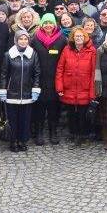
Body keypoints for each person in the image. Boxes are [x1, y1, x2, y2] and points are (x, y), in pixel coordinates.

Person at [0, 29, 43, 153]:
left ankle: (22, 141)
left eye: (25, 39)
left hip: (27, 93)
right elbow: (4, 74)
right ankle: (13, 141)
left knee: (25, 119)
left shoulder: (33, 54)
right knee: (12, 119)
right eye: (20, 39)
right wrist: (3, 90)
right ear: (16, 40)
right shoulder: (8, 55)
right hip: (12, 93)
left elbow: (37, 73)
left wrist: (35, 89)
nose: (23, 41)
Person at [55, 28, 97, 146]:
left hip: (85, 88)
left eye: (81, 36)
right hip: (69, 88)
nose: (79, 38)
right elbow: (60, 69)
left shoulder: (92, 51)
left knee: (83, 115)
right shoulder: (67, 49)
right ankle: (73, 134)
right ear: (73, 38)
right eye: (76, 36)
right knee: (71, 114)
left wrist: (92, 92)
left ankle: (83, 136)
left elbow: (94, 72)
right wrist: (60, 87)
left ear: (85, 38)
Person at [31, 14, 66, 146]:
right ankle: (39, 133)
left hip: (55, 80)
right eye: (45, 23)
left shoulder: (62, 40)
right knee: (39, 108)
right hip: (38, 79)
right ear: (41, 25)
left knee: (54, 108)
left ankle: (53, 132)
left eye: (50, 23)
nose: (48, 25)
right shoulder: (35, 40)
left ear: (54, 25)